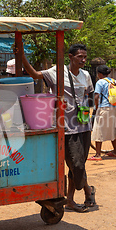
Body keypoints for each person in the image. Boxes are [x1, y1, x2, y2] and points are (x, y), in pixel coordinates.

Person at [15, 43, 96, 212]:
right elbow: (35, 74)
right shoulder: (56, 72)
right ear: (71, 57)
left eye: (85, 57)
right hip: (65, 126)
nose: (83, 59)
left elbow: (89, 95)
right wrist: (22, 56)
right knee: (76, 164)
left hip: (84, 125)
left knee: (80, 163)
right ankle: (78, 196)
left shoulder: (86, 75)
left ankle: (84, 193)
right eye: (80, 56)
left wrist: (88, 110)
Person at [90, 65, 116, 161]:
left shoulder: (100, 82)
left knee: (98, 130)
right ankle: (115, 151)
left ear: (100, 74)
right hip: (114, 107)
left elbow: (96, 96)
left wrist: (96, 108)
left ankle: (98, 154)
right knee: (112, 129)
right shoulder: (115, 81)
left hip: (104, 107)